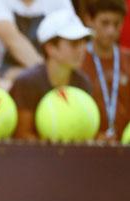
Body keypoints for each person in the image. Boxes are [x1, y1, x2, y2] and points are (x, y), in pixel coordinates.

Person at [10, 9, 93, 140]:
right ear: (50, 48)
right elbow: (21, 136)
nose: (82, 49)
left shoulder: (83, 82)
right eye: (74, 43)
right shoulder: (27, 83)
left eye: (84, 42)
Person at [82, 0, 130, 141]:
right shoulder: (78, 59)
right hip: (86, 147)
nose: (111, 31)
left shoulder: (128, 59)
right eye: (105, 23)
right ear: (89, 20)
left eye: (117, 24)